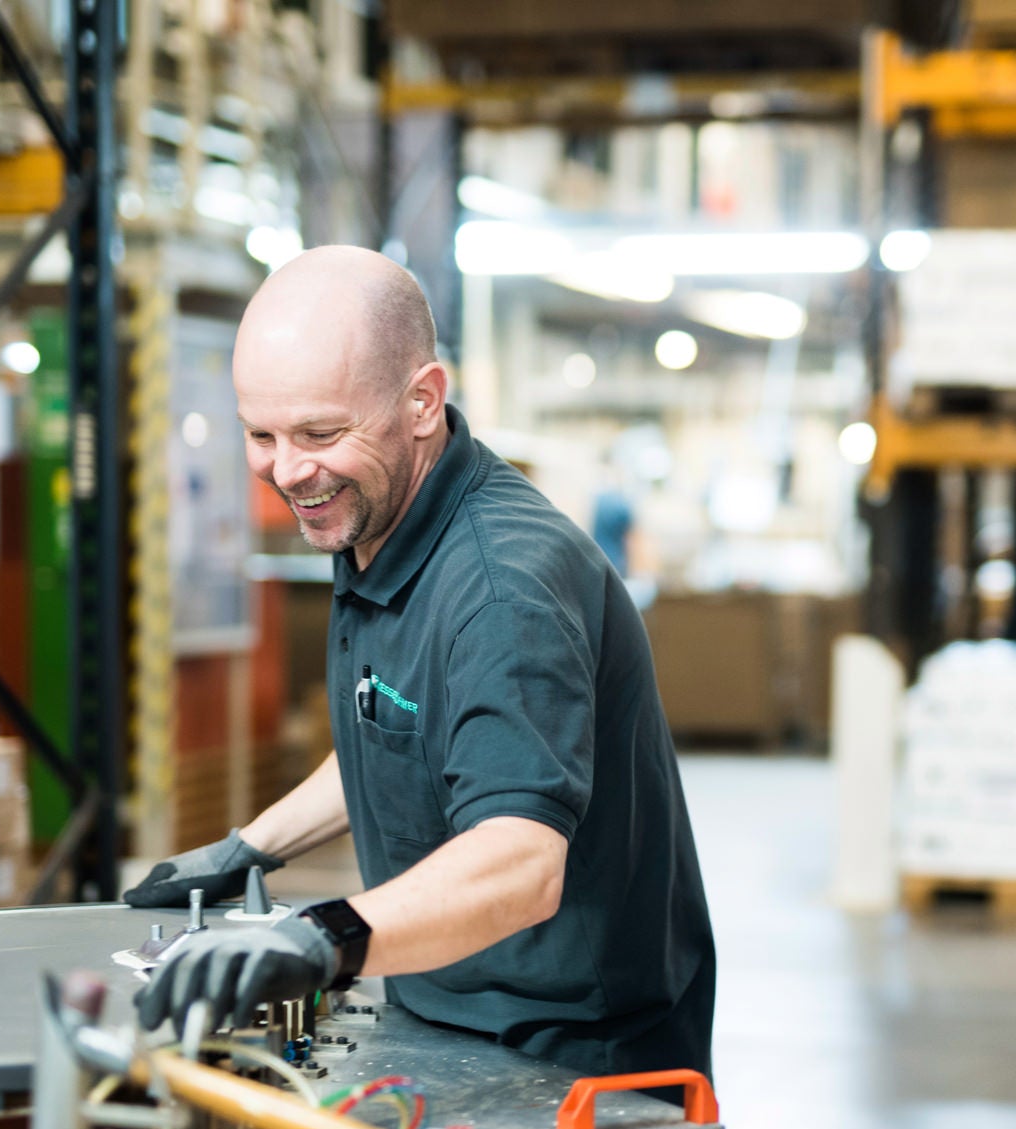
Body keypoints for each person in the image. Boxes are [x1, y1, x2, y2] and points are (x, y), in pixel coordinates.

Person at [126, 245, 715, 1083]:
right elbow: (397, 725)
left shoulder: (503, 590)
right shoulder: (377, 517)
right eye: (261, 435)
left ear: (422, 402)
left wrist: (324, 937)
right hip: (444, 1011)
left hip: (570, 1055)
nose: (288, 471)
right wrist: (247, 848)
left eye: (320, 433)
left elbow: (520, 862)